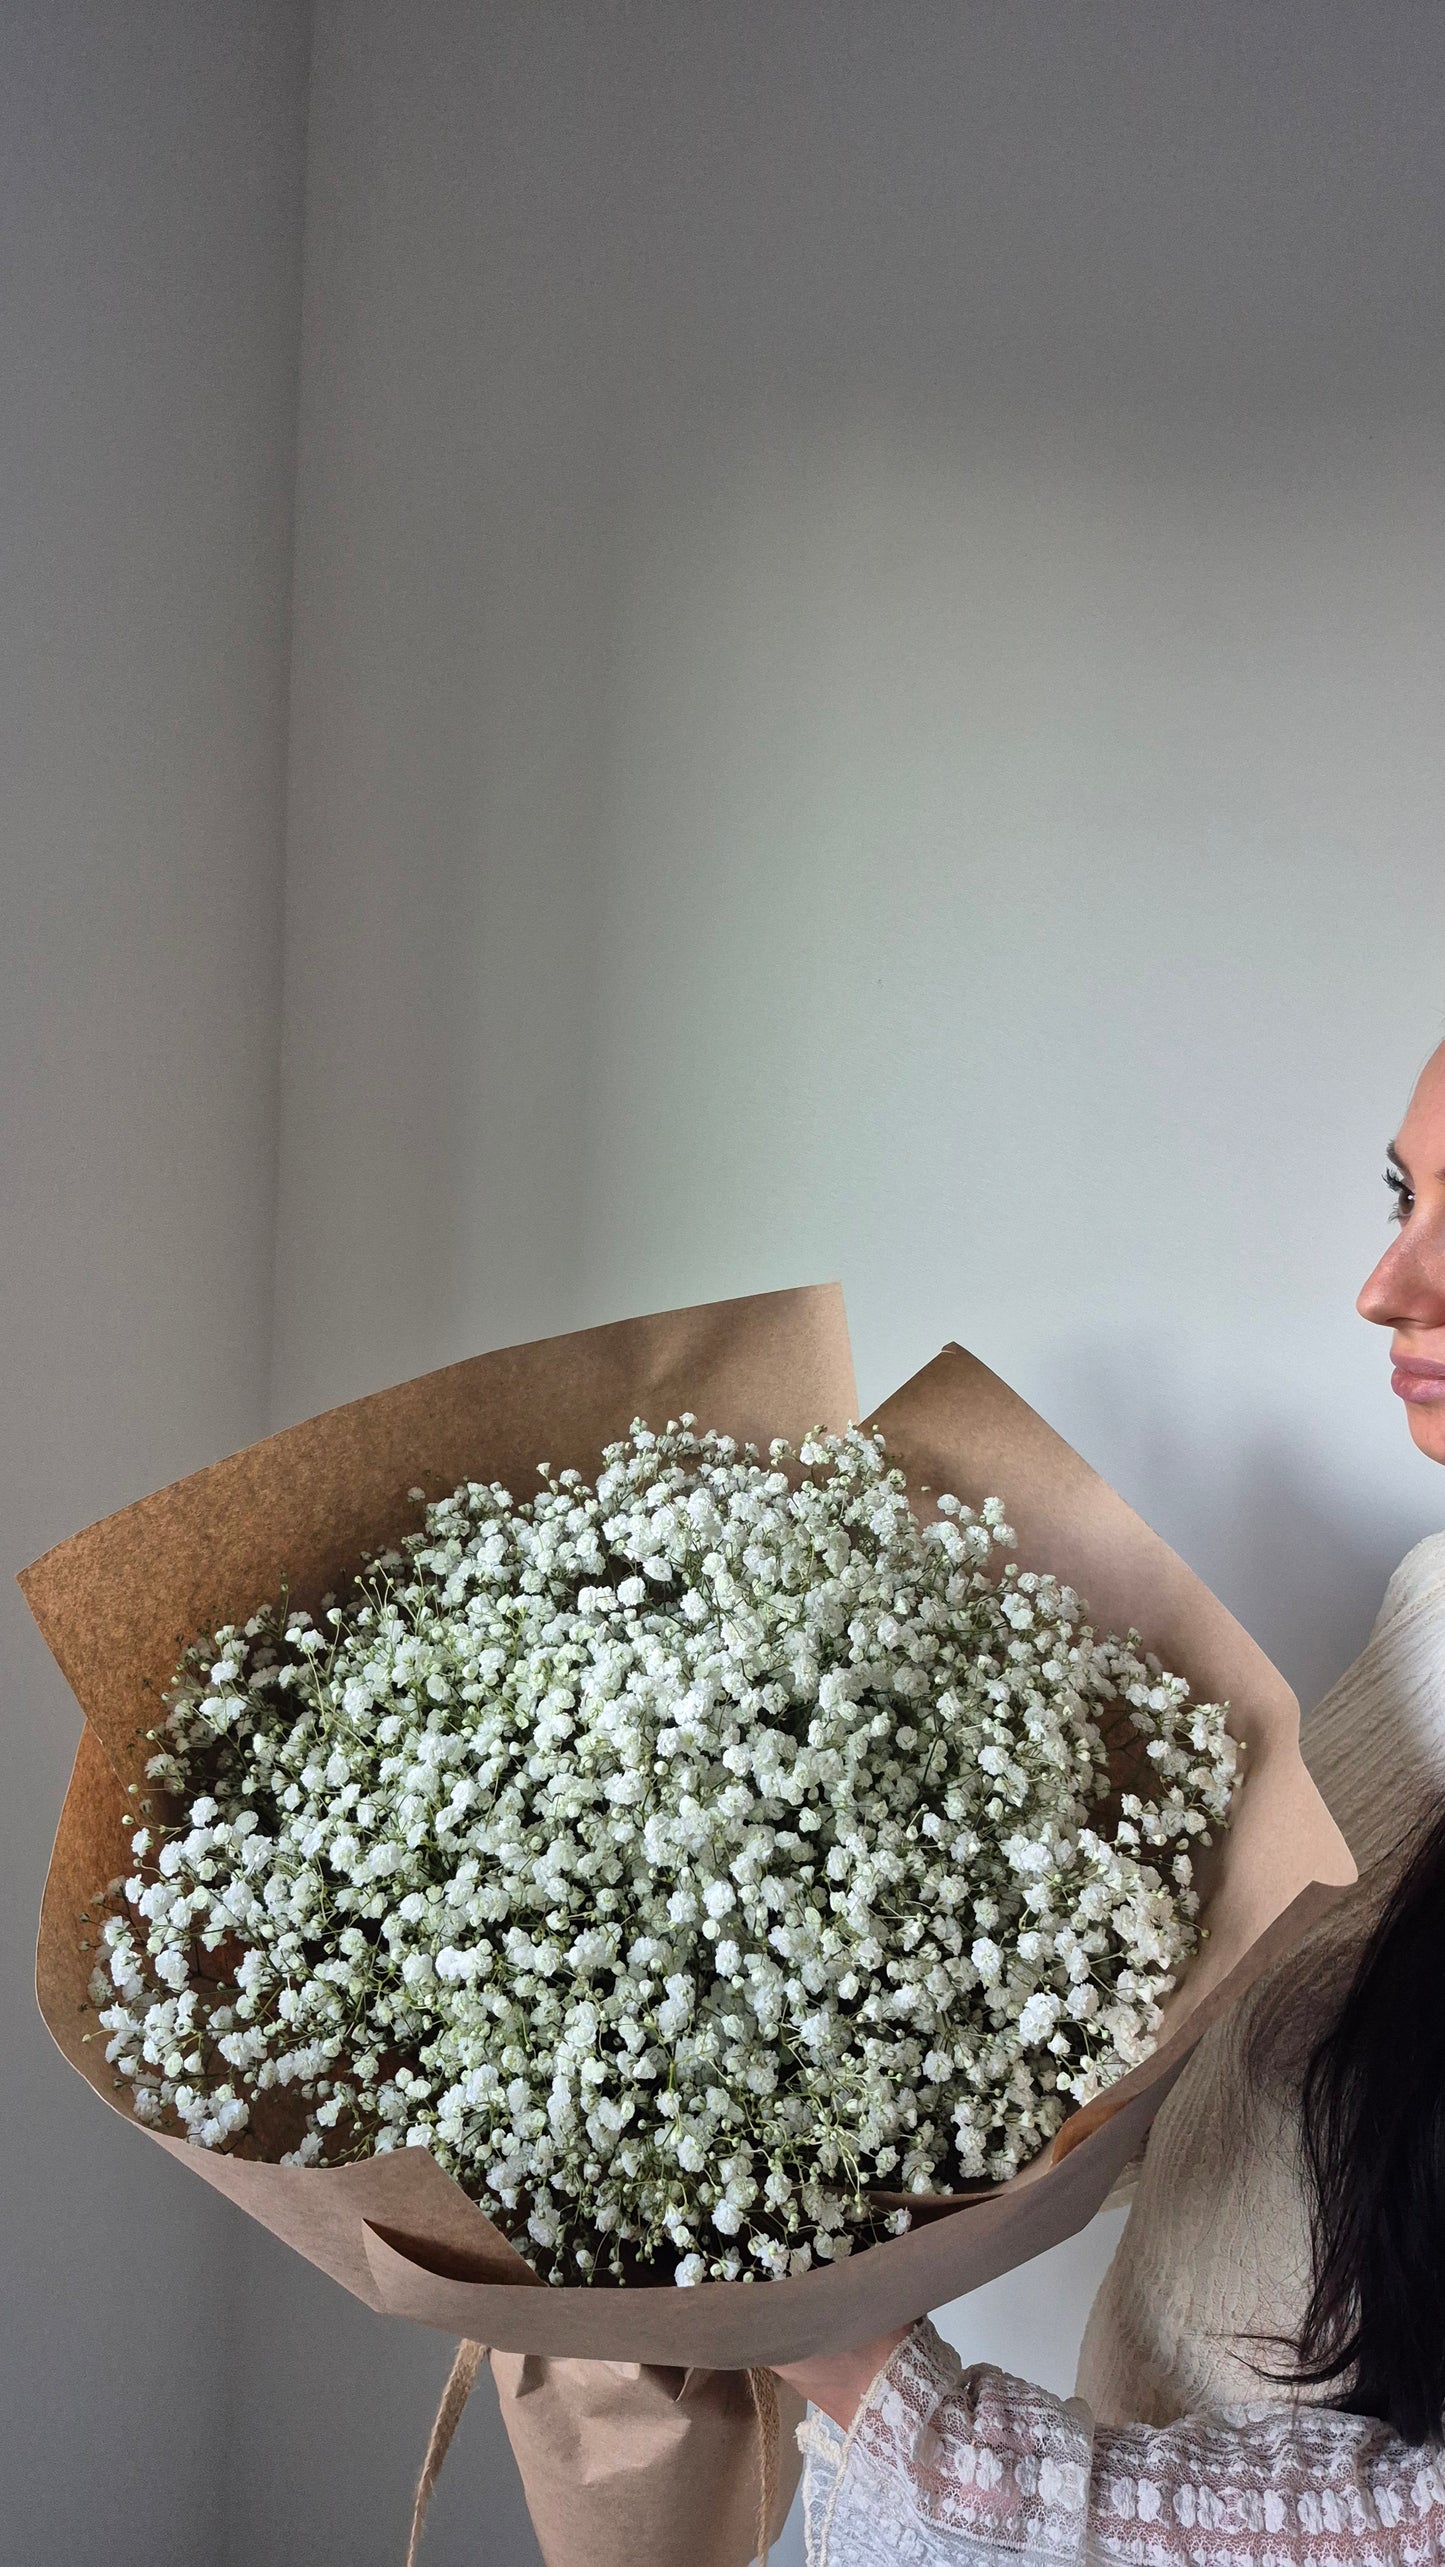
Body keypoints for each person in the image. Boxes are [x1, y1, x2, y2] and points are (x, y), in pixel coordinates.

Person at [773, 1037, 1445, 2563]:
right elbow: (1239, 2053)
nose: (1383, 1288)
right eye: (1401, 1199)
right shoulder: (1432, 1605)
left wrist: (906, 2419)